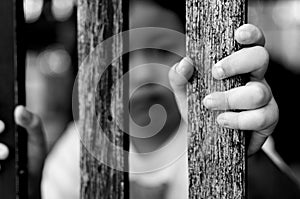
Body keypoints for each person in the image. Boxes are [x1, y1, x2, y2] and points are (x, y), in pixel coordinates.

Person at [0, 0, 286, 198]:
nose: (143, 74)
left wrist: (245, 155)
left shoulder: (226, 123)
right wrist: (29, 180)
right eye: (121, 61)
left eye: (161, 52)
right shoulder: (80, 146)